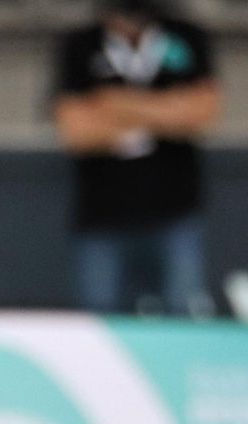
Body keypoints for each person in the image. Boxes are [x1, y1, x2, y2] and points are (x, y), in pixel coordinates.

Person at [53, 0, 221, 316]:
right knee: (101, 322)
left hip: (175, 211)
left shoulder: (186, 37)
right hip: (101, 217)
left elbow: (202, 113)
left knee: (182, 315)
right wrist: (166, 110)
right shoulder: (80, 44)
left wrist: (116, 104)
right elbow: (75, 132)